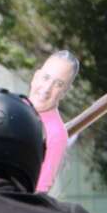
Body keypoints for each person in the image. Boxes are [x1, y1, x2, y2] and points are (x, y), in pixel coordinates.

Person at [28, 50, 79, 192]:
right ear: (35, 77)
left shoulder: (56, 134)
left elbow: (39, 191)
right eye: (46, 78)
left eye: (58, 84)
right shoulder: (9, 105)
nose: (47, 89)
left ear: (65, 92)